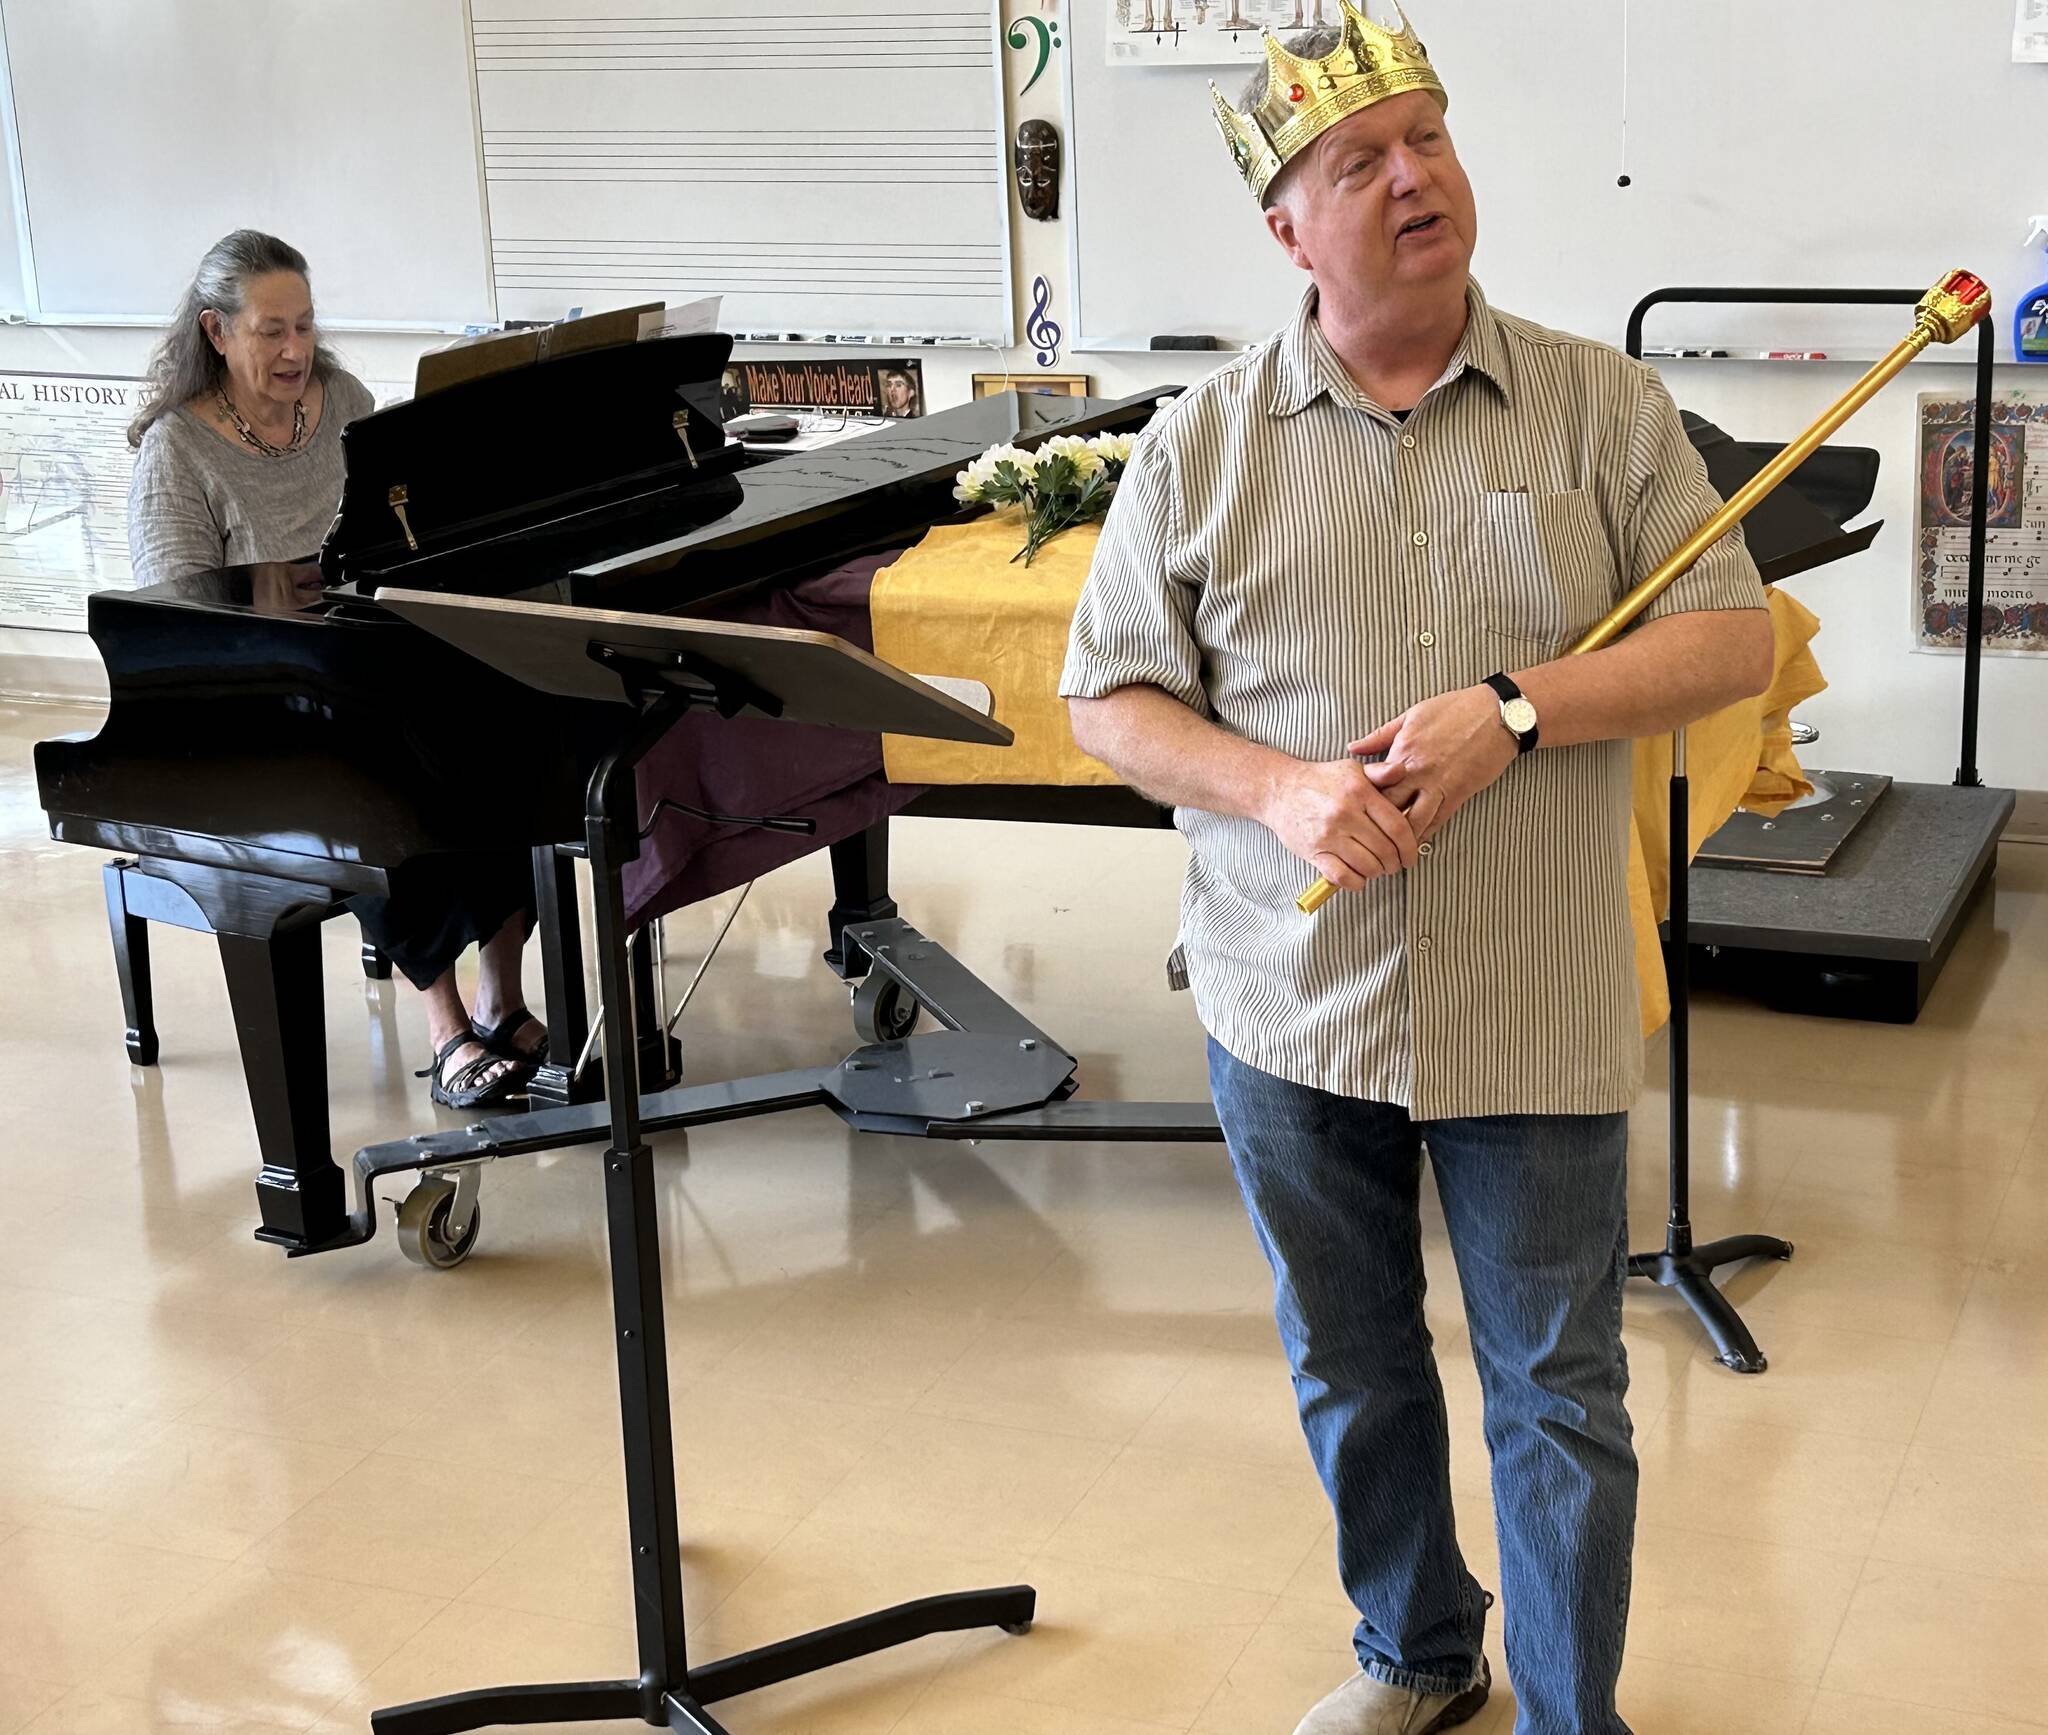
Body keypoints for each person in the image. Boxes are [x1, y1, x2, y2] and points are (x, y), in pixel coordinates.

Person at [1062, 9, 1773, 1734]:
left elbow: (1729, 640)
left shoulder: (1600, 408)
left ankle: (1564, 1717)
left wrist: (1516, 710)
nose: (1414, 178)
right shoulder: (1201, 444)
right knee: (1352, 1368)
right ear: (1284, 226)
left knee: (1555, 1388)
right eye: (1357, 161)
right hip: (1286, 1005)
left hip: (1525, 1000)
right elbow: (1107, 698)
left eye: (1430, 140)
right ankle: (1412, 1651)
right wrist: (1279, 793)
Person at [126, 229, 548, 1110]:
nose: (295, 351)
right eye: (272, 331)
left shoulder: (345, 401)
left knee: (507, 718)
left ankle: (501, 997)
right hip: (260, 706)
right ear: (215, 331)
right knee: (374, 766)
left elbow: (405, 535)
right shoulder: (179, 449)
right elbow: (177, 628)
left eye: (306, 327)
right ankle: (444, 1025)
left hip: (374, 665)